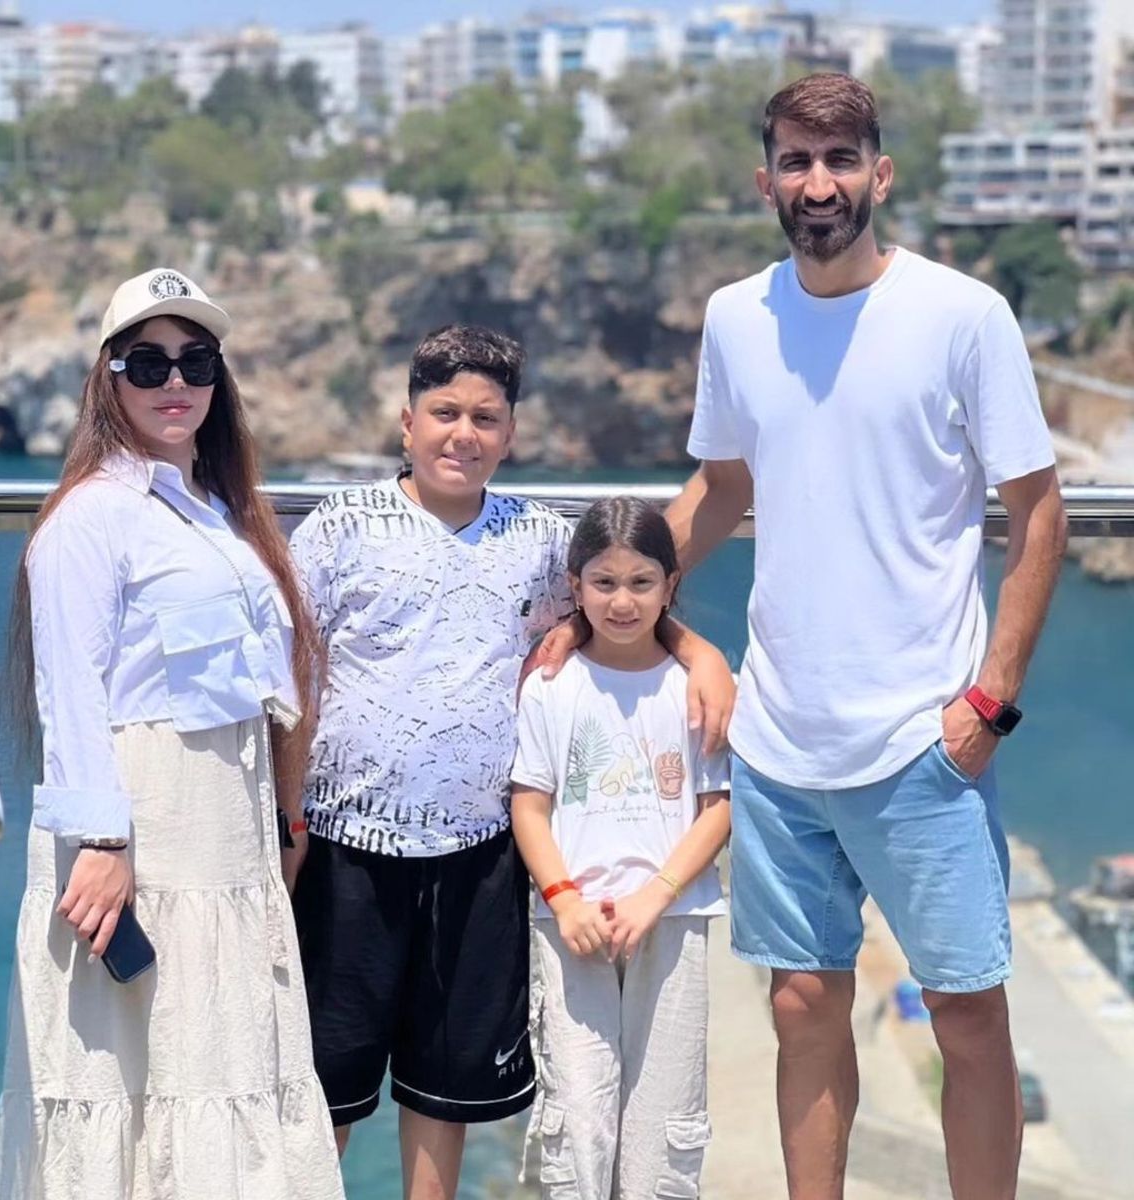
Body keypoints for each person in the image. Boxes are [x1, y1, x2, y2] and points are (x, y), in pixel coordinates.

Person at [667, 74, 1068, 1200]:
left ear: (880, 175)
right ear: (766, 181)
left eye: (840, 160)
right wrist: (598, 602)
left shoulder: (962, 315)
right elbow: (723, 486)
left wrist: (988, 703)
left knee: (968, 1014)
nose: (818, 183)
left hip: (924, 740)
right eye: (796, 161)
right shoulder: (736, 317)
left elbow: (1039, 512)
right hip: (778, 738)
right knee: (801, 1005)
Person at [288, 325, 733, 1200]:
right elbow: (292, 675)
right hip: (346, 843)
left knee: (443, 1085)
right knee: (322, 1084)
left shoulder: (536, 540)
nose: (464, 433)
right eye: (445, 412)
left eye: (485, 418)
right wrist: (288, 822)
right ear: (407, 421)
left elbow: (622, 605)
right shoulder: (339, 527)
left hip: (480, 848)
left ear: (511, 433)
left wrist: (700, 651)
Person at [0, 267, 344, 1200]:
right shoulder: (91, 518)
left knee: (218, 1055)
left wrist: (282, 817)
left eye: (197, 361)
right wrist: (102, 843)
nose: (176, 382)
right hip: (143, 824)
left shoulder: (218, 512)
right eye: (147, 363)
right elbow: (70, 689)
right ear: (108, 378)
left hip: (224, 831)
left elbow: (265, 690)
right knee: (135, 1068)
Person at [511, 496, 732, 1200]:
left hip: (672, 918)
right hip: (569, 926)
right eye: (603, 583)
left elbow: (718, 807)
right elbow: (529, 804)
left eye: (641, 582)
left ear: (671, 585)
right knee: (579, 1115)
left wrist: (656, 895)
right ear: (574, 588)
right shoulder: (552, 686)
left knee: (665, 1116)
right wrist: (563, 898)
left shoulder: (696, 688)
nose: (623, 600)